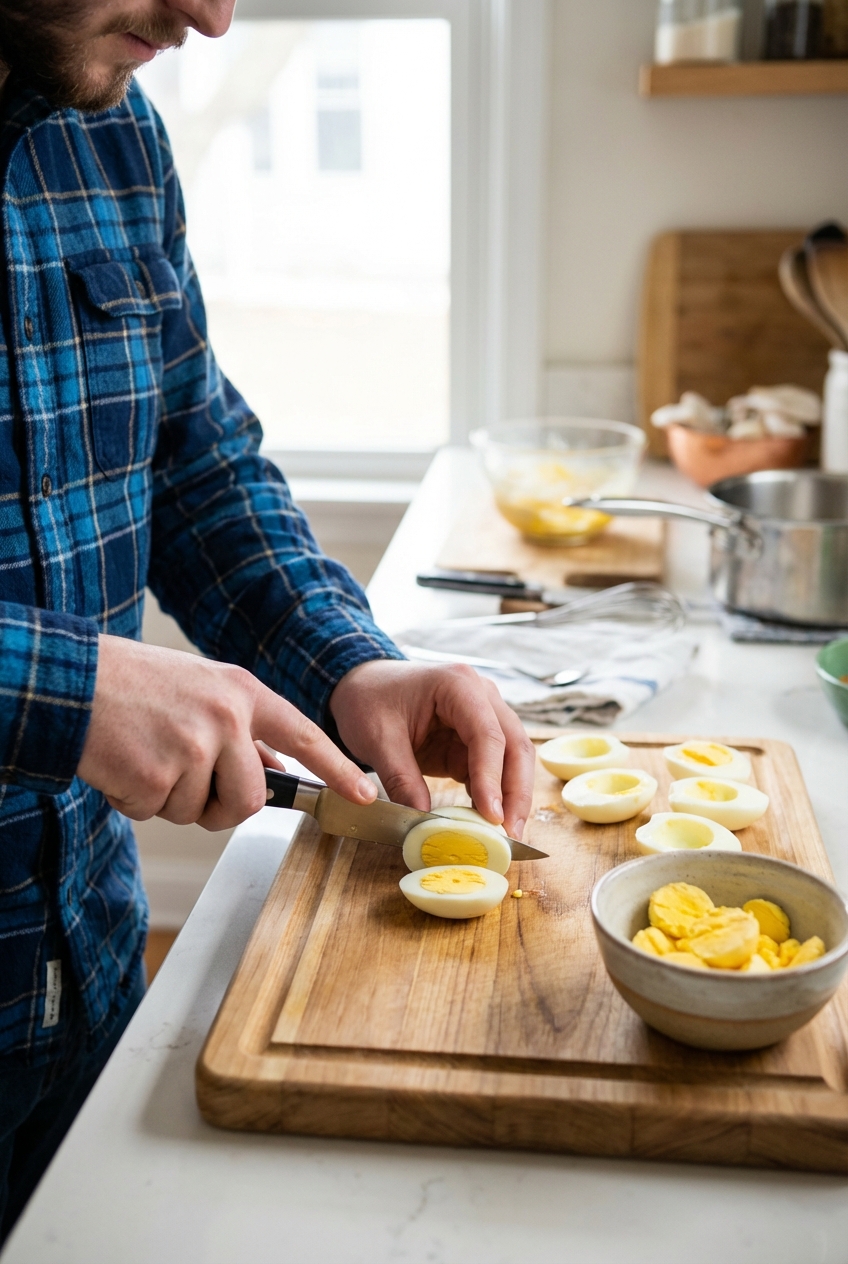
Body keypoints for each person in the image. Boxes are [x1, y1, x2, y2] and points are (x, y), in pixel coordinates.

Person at [0, 0, 535, 1241]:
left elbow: (193, 464)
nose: (212, 13)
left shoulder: (108, 127)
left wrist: (349, 662)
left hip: (77, 965)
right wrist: (64, 687)